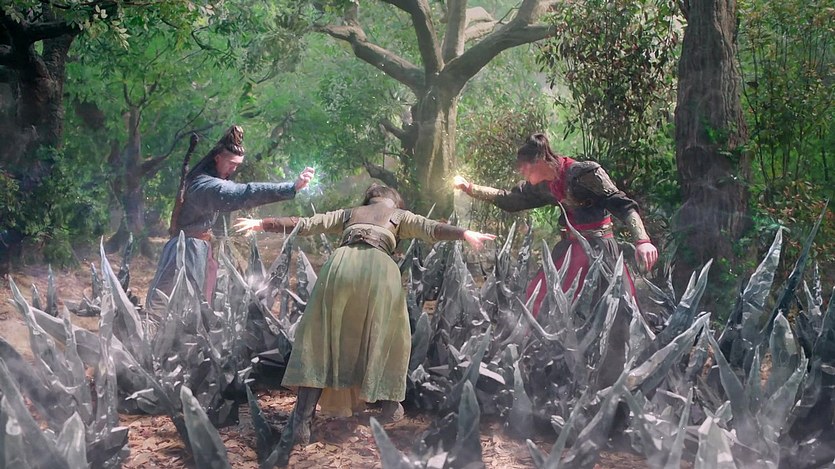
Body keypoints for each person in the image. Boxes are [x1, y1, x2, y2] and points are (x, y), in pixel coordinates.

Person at [233, 183, 496, 466]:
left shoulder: (350, 213)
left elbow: (306, 224)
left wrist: (263, 223)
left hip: (341, 266)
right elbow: (431, 228)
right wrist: (464, 233)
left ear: (370, 199)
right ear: (394, 201)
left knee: (322, 339)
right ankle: (389, 405)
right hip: (380, 272)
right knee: (387, 335)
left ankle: (301, 422)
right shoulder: (400, 216)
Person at [453, 133, 658, 387]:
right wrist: (470, 188)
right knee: (537, 297)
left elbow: (623, 205)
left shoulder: (585, 173)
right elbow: (511, 199)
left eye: (525, 166)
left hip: (600, 250)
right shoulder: (546, 184)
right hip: (571, 250)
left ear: (540, 160)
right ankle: (536, 368)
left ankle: (618, 379)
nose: (522, 172)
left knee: (620, 311)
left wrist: (642, 240)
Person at [145, 125, 315, 312]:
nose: (233, 169)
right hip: (187, 250)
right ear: (217, 158)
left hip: (196, 248)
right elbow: (244, 193)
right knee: (172, 306)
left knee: (195, 306)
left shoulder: (206, 180)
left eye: (237, 165)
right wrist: (291, 187)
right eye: (231, 164)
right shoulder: (206, 186)